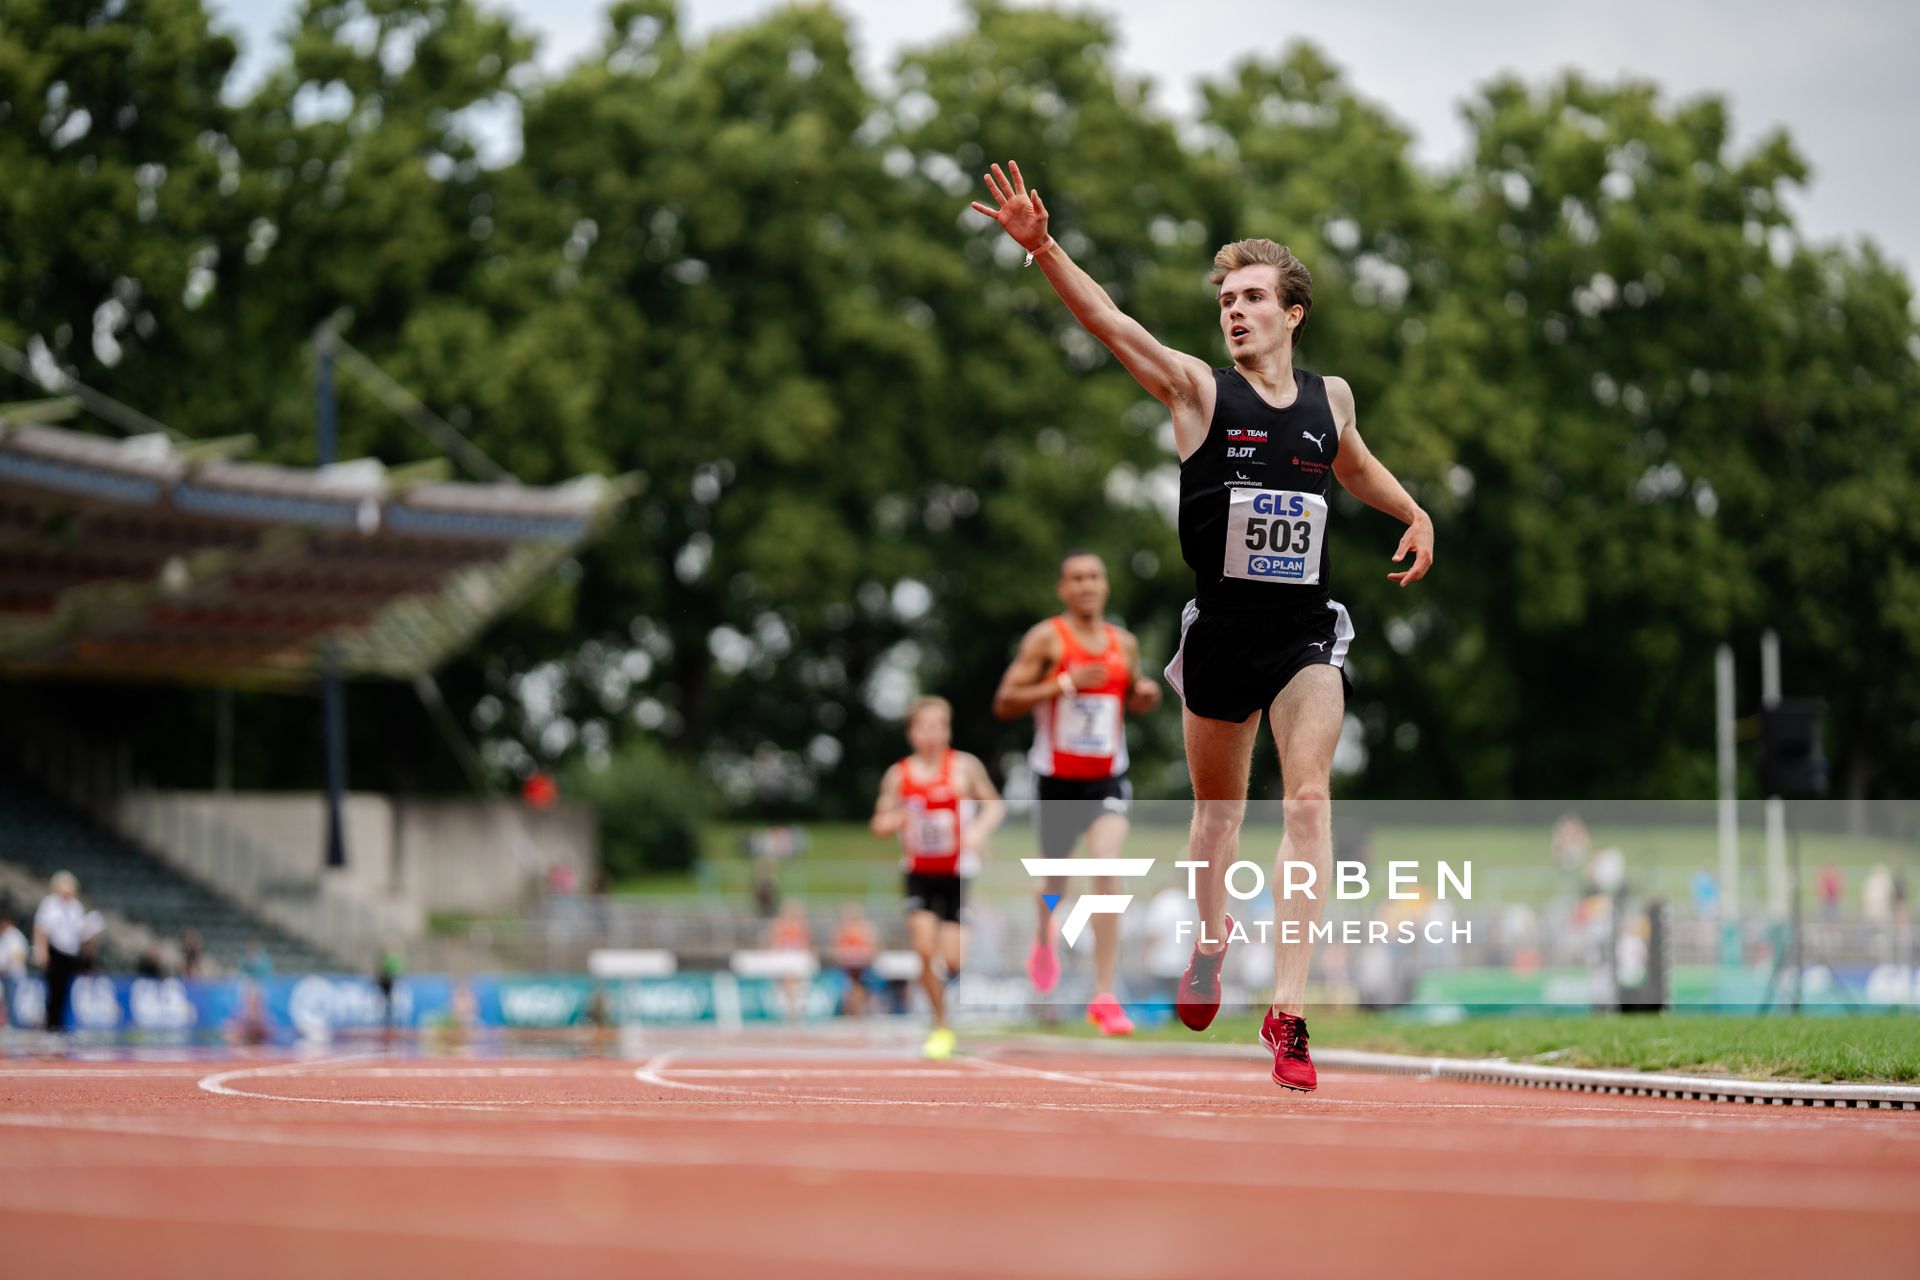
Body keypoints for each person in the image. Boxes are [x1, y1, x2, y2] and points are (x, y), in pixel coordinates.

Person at [971, 162, 1434, 1090]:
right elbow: (1108, 322)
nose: (1234, 310)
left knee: (1308, 802)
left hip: (1305, 635)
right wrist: (1044, 249)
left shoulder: (1330, 399)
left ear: (1292, 313)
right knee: (1214, 824)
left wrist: (1414, 512)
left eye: (1253, 296)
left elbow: (1353, 467)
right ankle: (1211, 944)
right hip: (1219, 635)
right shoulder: (1197, 393)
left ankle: (1291, 1015)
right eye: (1226, 298)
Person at [992, 551, 1159, 1035]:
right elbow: (1004, 701)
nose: (1087, 585)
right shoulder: (1047, 638)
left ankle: (1104, 993)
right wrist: (1062, 683)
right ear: (1062, 589)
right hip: (1056, 779)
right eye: (1077, 578)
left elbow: (1131, 695)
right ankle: (1044, 936)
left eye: (1095, 577)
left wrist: (1142, 695)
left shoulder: (1122, 643)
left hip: (1107, 776)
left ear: (1105, 587)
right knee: (1056, 885)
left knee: (1107, 865)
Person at [870, 695, 1005, 1059]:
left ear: (947, 730)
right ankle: (941, 1023)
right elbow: (878, 823)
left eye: (939, 726)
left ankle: (945, 1005)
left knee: (954, 958)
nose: (932, 733)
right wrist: (894, 820)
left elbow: (994, 804)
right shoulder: (899, 775)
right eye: (924, 726)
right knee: (923, 948)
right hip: (919, 873)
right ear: (912, 732)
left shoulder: (963, 767)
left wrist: (977, 832)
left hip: (957, 873)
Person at [32, 871, 93, 1033]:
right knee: (53, 988)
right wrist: (41, 951)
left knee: (65, 989)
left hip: (69, 953)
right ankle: (50, 1024)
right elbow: (41, 928)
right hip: (55, 951)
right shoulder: (49, 904)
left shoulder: (76, 907)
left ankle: (59, 1023)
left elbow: (81, 931)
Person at [830, 903, 879, 1018]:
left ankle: (859, 1011)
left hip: (864, 969)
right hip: (845, 969)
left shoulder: (867, 930)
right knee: (848, 986)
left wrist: (861, 956)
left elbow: (873, 952)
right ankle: (849, 1011)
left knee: (860, 985)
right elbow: (835, 953)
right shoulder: (840, 930)